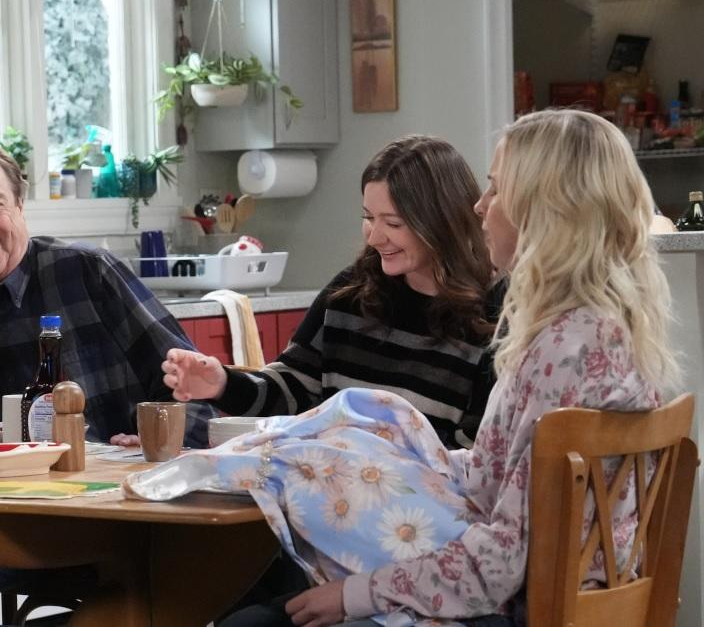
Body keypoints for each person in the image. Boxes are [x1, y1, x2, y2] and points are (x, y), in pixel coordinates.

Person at [210, 108, 680, 625]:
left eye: (496, 189)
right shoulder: (600, 335)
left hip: (505, 610)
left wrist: (356, 594)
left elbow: (502, 560)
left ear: (544, 209)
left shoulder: (563, 354)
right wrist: (373, 453)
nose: (479, 206)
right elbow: (499, 481)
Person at [163, 135, 505, 450]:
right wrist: (223, 384)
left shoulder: (495, 315)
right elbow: (293, 389)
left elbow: (476, 456)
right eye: (369, 217)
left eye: (393, 223)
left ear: (442, 221)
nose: (374, 237)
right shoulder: (349, 293)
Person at [0, 138, 213, 447]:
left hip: (108, 479)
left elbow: (194, 390)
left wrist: (159, 441)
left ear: (19, 206)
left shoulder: (87, 270)